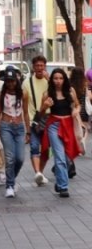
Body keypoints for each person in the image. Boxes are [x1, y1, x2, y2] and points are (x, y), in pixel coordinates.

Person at [40, 68, 81, 198]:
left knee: (67, 155)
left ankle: (59, 182)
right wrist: (45, 106)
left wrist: (76, 111)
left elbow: (77, 105)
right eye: (55, 78)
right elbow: (41, 113)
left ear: (64, 79)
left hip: (68, 125)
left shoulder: (70, 91)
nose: (58, 81)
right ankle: (63, 187)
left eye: (61, 78)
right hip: (54, 125)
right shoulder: (47, 94)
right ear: (52, 80)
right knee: (60, 157)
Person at [0, 67, 30, 198]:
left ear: (17, 81)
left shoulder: (24, 93)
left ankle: (11, 179)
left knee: (20, 158)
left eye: (13, 81)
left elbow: (26, 112)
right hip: (6, 126)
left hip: (19, 127)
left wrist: (28, 131)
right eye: (8, 81)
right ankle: (9, 185)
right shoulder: (1, 95)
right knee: (10, 158)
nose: (10, 84)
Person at [22, 55, 50, 186]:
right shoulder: (27, 83)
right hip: (34, 119)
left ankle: (40, 173)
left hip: (49, 120)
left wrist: (49, 79)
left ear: (45, 66)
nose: (40, 68)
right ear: (33, 67)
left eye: (42, 65)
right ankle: (37, 172)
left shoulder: (49, 81)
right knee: (34, 147)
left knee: (46, 149)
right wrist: (27, 127)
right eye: (37, 65)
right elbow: (24, 107)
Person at [69, 66, 90, 151]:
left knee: (74, 128)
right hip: (83, 110)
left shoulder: (70, 85)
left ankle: (76, 144)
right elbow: (88, 97)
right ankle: (83, 140)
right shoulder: (84, 86)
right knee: (84, 128)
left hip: (73, 109)